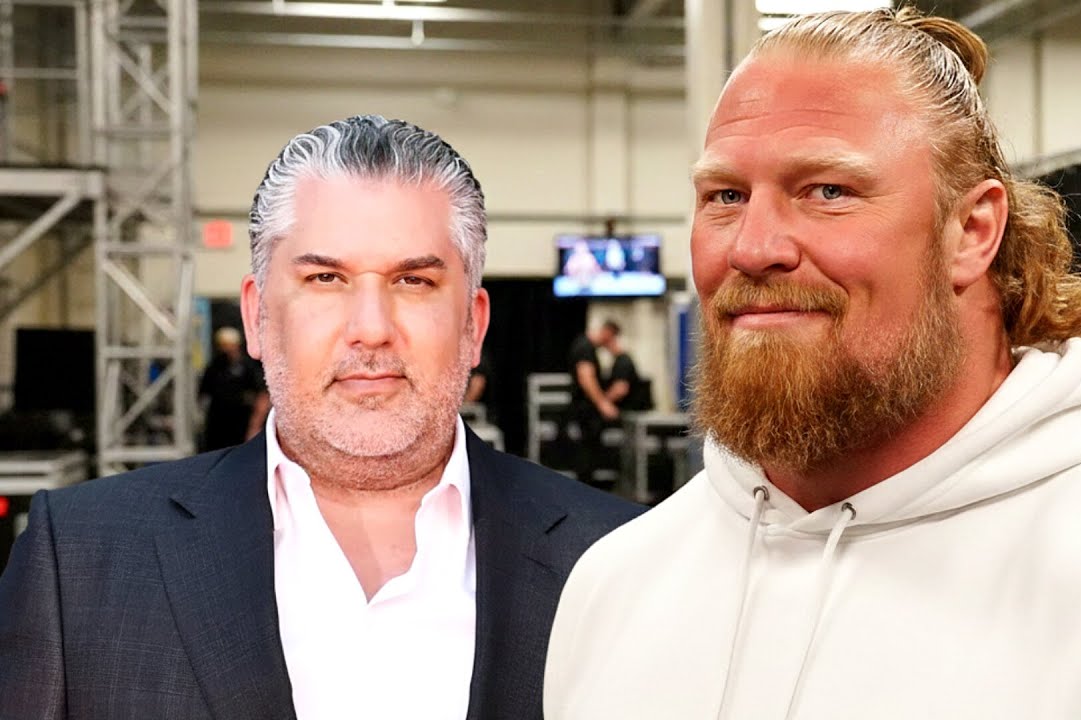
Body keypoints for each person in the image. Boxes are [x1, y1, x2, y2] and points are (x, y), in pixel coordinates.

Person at [544, 8, 1081, 720]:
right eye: (725, 196)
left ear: (972, 231)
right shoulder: (613, 584)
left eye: (828, 191)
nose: (752, 246)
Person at [0, 115, 641, 719]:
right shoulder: (81, 559)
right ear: (256, 317)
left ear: (473, 325)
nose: (371, 328)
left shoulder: (620, 559)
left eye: (413, 281)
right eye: (326, 279)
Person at [567, 320, 620, 487]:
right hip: (585, 410)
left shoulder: (586, 347)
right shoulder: (585, 348)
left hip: (586, 408)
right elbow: (586, 378)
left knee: (588, 452)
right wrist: (602, 403)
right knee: (586, 454)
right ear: (607, 333)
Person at [198, 325, 268, 450]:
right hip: (217, 425)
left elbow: (262, 396)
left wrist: (255, 426)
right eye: (222, 345)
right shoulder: (214, 367)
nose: (226, 349)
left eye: (229, 345)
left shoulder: (248, 367)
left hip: (241, 424)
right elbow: (204, 393)